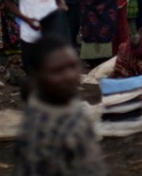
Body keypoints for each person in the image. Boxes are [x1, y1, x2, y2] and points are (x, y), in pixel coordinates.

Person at [12, 35, 105, 176]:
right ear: (37, 76)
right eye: (57, 71)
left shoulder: (64, 102)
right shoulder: (42, 133)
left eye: (73, 66)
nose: (69, 75)